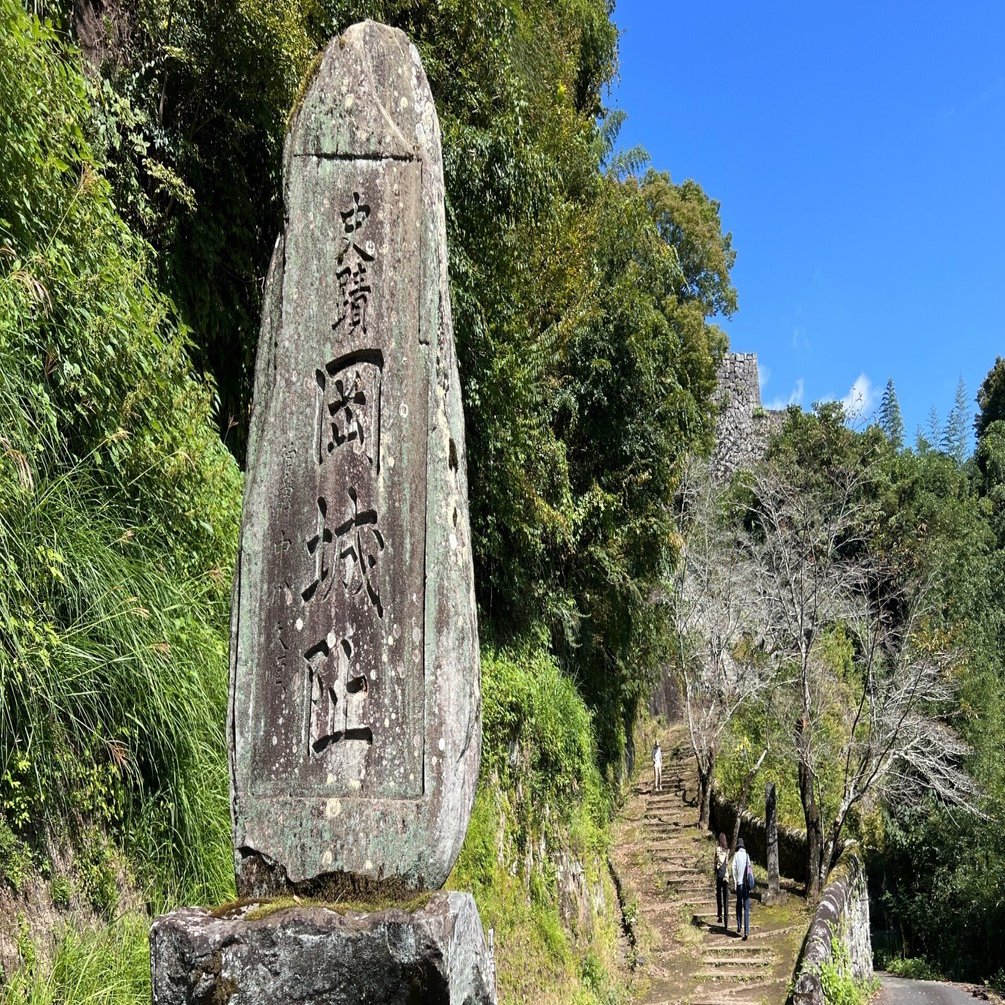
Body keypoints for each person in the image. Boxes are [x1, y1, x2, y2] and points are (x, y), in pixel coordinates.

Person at [732, 836, 752, 940]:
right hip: (746, 886)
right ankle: (747, 931)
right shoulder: (747, 856)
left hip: (739, 884)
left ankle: (739, 925)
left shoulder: (736, 856)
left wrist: (735, 882)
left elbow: (733, 869)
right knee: (746, 908)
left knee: (738, 904)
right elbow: (750, 871)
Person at [714, 832, 730, 930]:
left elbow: (715, 862)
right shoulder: (727, 851)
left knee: (719, 895)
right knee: (726, 898)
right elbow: (727, 864)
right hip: (726, 876)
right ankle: (726, 919)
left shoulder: (717, 850)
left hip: (719, 876)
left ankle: (719, 915)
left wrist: (715, 872)